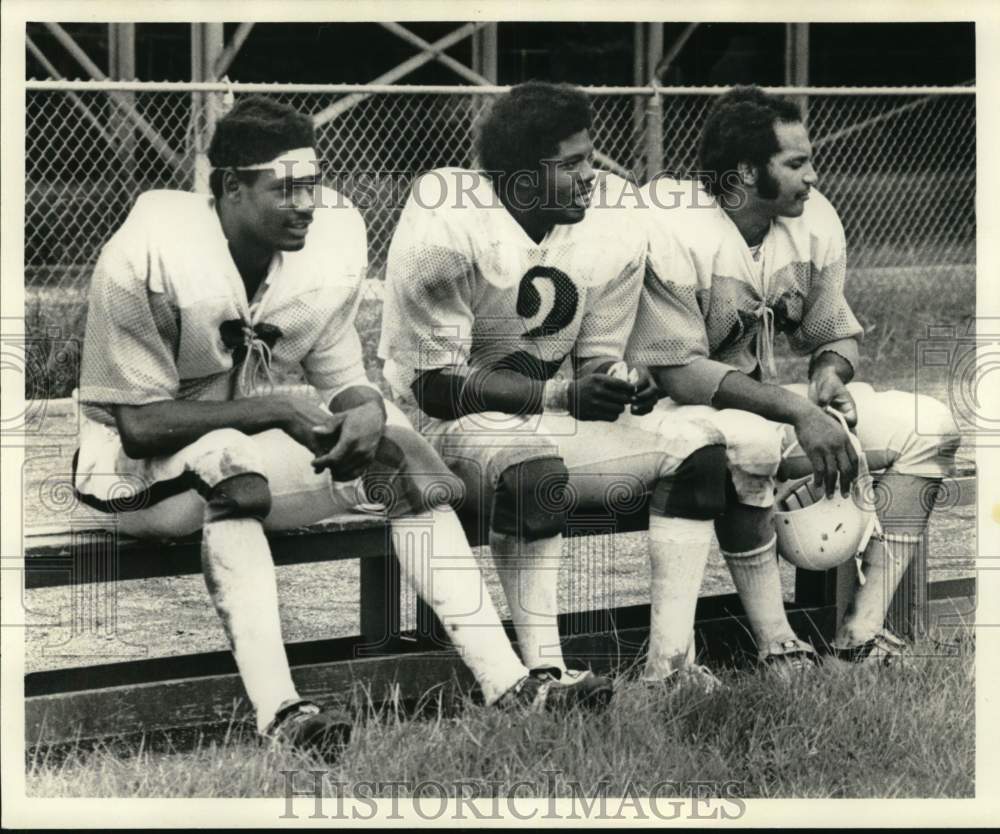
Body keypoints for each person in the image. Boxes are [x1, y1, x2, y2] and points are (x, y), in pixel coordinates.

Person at [72, 96, 571, 760]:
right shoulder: (146, 254)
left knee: (391, 457)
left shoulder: (325, 243)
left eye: (312, 183)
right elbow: (136, 424)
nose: (306, 202)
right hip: (131, 478)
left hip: (237, 453)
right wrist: (272, 409)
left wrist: (365, 408)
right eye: (284, 188)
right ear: (229, 187)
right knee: (230, 465)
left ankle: (509, 682)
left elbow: (343, 376)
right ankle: (280, 712)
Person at [379, 81, 733, 699]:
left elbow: (596, 360)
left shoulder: (611, 221)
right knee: (532, 468)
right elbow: (435, 389)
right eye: (570, 165)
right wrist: (557, 400)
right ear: (518, 178)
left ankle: (669, 668)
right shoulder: (448, 222)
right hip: (443, 428)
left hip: (544, 417)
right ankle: (544, 673)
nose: (591, 175)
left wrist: (621, 384)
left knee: (697, 452)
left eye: (590, 158)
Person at [627, 85, 961, 670]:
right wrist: (800, 413)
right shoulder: (673, 223)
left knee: (928, 427)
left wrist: (830, 375)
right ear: (746, 171)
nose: (812, 176)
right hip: (668, 415)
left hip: (764, 404)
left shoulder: (810, 220)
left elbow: (833, 327)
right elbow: (678, 372)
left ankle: (861, 636)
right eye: (796, 163)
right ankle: (777, 643)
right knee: (751, 442)